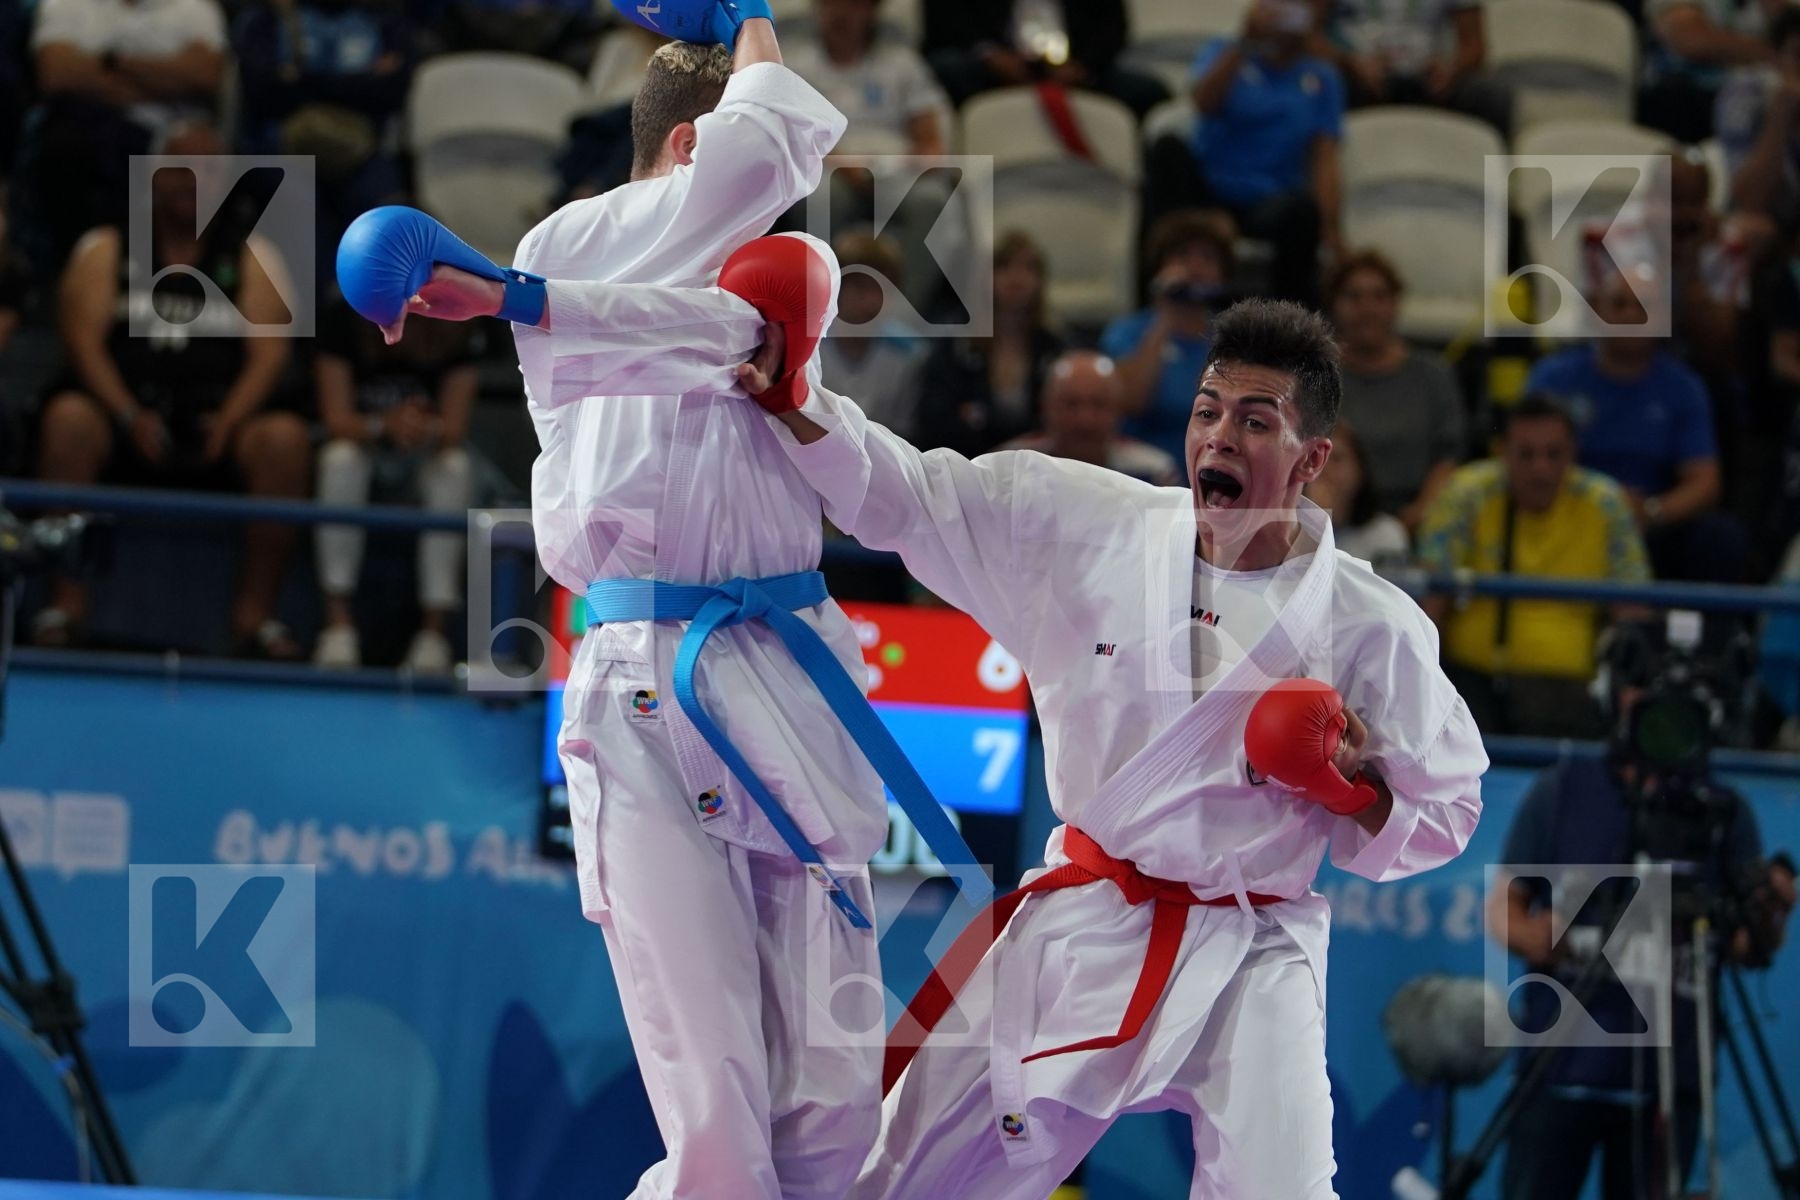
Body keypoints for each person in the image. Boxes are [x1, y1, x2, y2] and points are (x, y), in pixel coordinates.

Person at [511, 273, 1489, 1196]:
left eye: (1256, 421)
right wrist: (797, 400)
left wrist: (1351, 789)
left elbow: (1448, 811)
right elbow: (913, 496)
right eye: (1208, 409)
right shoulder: (1088, 526)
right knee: (905, 1175)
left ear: (1314, 459)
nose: (1220, 436)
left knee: (1284, 1186)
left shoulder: (1371, 626)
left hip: (1255, 945)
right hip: (1087, 914)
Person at [350, 18, 916, 1200]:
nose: (779, 195)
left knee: (829, 1100)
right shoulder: (580, 240)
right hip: (643, 668)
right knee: (709, 1100)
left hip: (789, 663)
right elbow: (763, 160)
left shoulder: (758, 269)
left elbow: (748, 355)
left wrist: (522, 300)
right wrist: (754, 23)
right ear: (692, 145)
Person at [1486, 639, 1796, 1200]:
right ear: (1615, 698)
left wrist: (1771, 910)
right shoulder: (1565, 789)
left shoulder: (1722, 810)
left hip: (1670, 1083)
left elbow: (1750, 947)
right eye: (1646, 695)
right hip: (1563, 1071)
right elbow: (1504, 912)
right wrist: (1569, 940)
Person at [31, 121, 308, 656]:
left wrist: (230, 419)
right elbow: (81, 342)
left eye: (209, 170)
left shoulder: (252, 255)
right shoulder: (108, 245)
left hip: (217, 429)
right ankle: (64, 607)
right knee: (67, 420)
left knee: (284, 439)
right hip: (123, 424)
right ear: (155, 175)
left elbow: (271, 354)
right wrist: (126, 413)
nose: (194, 182)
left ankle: (256, 618)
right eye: (182, 167)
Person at [1415, 396, 1650, 739]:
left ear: (1573, 454)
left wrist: (1634, 689)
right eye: (1526, 454)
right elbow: (1428, 610)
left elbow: (1633, 617)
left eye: (1554, 454)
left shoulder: (1606, 503)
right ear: (1502, 453)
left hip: (1570, 689)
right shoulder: (1466, 495)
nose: (1540, 468)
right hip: (1473, 682)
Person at [1526, 269, 1746, 583]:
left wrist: (1651, 510)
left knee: (1720, 537)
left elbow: (1705, 481)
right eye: (1618, 304)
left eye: (1643, 306)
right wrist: (1600, 504)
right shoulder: (1552, 378)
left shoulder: (1684, 388)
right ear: (1596, 310)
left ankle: (1699, 631)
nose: (1630, 314)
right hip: (1565, 514)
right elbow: (1527, 460)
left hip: (1650, 523)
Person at [311, 295, 480, 673]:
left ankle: (432, 635)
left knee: (455, 467)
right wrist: (382, 424)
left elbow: (454, 428)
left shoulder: (458, 316)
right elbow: (335, 419)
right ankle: (338, 629)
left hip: (424, 455)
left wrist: (419, 428)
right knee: (339, 459)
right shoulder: (341, 318)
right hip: (365, 448)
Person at [1145, 0, 1344, 308]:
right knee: (1167, 149)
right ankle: (1156, 298)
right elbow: (1202, 103)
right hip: (1209, 189)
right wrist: (1246, 41)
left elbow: (1324, 157)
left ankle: (1288, 326)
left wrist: (1331, 229)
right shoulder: (1226, 51)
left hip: (1268, 202)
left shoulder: (1323, 77)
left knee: (1302, 214)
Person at [20, 0, 226, 272]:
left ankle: (176, 272)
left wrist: (112, 61)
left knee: (189, 155)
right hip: (85, 129)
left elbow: (205, 74)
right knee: (62, 147)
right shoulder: (64, 4)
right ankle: (70, 272)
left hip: (166, 134)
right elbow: (56, 74)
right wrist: (160, 81)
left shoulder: (196, 9)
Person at [1326, 249, 1466, 527]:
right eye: (1354, 296)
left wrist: (1418, 515)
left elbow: (1448, 457)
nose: (1367, 308)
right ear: (1334, 305)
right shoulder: (1317, 376)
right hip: (1338, 523)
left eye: (1379, 296)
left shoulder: (1433, 374)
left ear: (1396, 303)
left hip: (1419, 521)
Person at [1101, 209, 1231, 473]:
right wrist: (1165, 317)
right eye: (1182, 256)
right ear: (1160, 266)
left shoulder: (1231, 339)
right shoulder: (1128, 332)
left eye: (1208, 258)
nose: (1195, 268)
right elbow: (1130, 401)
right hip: (1141, 477)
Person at [913, 230, 1065, 458]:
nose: (1016, 277)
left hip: (1039, 467)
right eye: (1003, 267)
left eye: (1028, 268)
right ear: (984, 277)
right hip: (968, 467)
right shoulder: (954, 347)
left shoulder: (1055, 347)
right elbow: (935, 423)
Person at [920, 0, 1167, 119]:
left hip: (1075, 72)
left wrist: (1082, 66)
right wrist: (990, 55)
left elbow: (1113, 27)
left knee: (1147, 92)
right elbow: (945, 19)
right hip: (994, 69)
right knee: (945, 69)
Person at [1314, 0, 1510, 134]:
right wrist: (1349, 62)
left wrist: (1451, 68)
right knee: (1320, 87)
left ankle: (1497, 185)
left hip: (1429, 75)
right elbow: (1310, 37)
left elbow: (1475, 46)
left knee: (1492, 97)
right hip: (1357, 73)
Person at [999, 350, 1180, 486]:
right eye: (1071, 403)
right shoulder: (1007, 467)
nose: (1085, 420)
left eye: (1099, 404)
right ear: (1045, 407)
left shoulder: (1155, 474)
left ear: (1118, 410)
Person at [818, 231, 925, 438]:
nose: (872, 301)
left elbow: (907, 434)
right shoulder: (809, 347)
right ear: (837, 287)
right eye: (860, 287)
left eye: (883, 288)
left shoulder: (911, 354)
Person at [1302, 421, 1408, 566]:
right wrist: (1315, 519)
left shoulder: (1385, 534)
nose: (1323, 468)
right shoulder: (1287, 530)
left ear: (1360, 470)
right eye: (1314, 458)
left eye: (1336, 458)